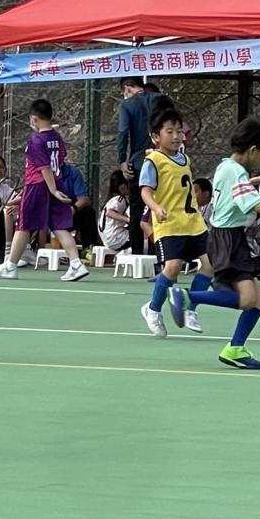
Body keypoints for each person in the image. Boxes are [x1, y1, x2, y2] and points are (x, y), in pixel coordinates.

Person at [169, 118, 260, 369]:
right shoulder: (236, 172)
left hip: (227, 238)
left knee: (259, 300)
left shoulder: (226, 166)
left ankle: (235, 349)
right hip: (228, 240)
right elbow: (252, 204)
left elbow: (234, 189)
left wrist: (257, 181)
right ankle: (188, 297)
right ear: (253, 150)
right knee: (247, 300)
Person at [0, 98, 89, 281]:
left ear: (34, 119)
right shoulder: (56, 138)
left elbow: (44, 168)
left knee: (24, 225)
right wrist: (55, 188)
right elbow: (59, 161)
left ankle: (10, 266)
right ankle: (76, 264)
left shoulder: (36, 140)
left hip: (38, 186)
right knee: (59, 226)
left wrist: (52, 190)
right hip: (56, 183)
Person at [138, 106, 212, 337]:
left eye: (179, 131)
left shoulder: (184, 159)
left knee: (210, 265)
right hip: (169, 224)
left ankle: (190, 307)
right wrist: (156, 207)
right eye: (169, 131)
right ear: (155, 136)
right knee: (173, 268)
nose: (176, 136)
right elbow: (145, 190)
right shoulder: (153, 161)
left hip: (193, 222)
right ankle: (153, 309)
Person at [116, 76, 154, 253]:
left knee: (137, 212)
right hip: (162, 160)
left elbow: (123, 132)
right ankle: (160, 255)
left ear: (127, 88)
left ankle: (137, 255)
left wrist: (122, 160)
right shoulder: (160, 100)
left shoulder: (127, 105)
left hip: (138, 162)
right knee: (159, 209)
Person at [100, 170, 131, 252]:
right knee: (141, 240)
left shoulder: (110, 200)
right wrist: (128, 220)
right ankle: (123, 255)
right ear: (123, 186)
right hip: (115, 238)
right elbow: (109, 213)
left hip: (106, 239)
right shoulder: (119, 200)